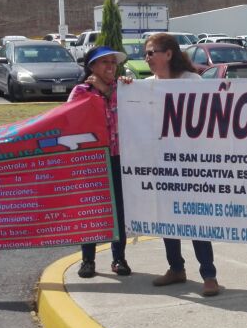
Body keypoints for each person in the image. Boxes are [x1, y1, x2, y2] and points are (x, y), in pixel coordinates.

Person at [143, 33, 221, 297]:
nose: (148, 58)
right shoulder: (144, 85)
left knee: (195, 219)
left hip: (191, 165)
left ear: (168, 54)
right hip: (162, 166)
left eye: (152, 52)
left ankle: (209, 274)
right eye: (146, 54)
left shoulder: (192, 82)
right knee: (168, 220)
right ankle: (176, 268)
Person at [70, 46, 132, 279]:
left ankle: (119, 258)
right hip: (92, 160)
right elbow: (70, 121)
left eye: (113, 62)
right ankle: (88, 260)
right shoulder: (80, 92)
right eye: (104, 62)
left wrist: (105, 88)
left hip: (119, 158)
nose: (110, 66)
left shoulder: (124, 89)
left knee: (119, 211)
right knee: (91, 208)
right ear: (91, 67)